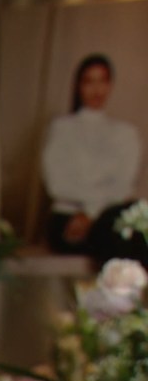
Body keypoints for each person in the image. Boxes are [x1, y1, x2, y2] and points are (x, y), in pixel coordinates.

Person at [41, 53, 147, 266]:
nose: (96, 90)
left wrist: (91, 212)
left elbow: (123, 185)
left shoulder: (125, 133)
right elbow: (57, 184)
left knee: (135, 224)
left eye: (102, 81)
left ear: (110, 85)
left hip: (108, 216)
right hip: (69, 217)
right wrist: (91, 209)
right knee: (119, 236)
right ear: (78, 86)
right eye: (89, 81)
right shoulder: (62, 128)